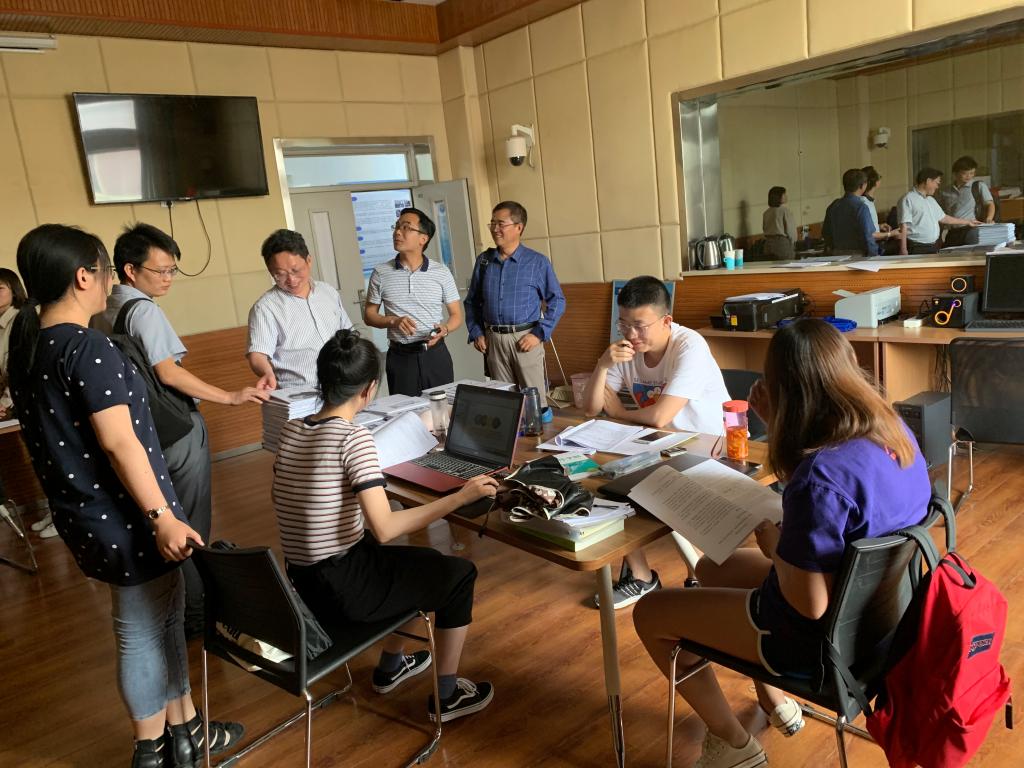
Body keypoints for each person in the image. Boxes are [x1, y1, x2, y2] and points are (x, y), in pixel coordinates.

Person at [633, 318, 930, 768]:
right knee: (711, 568)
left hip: (818, 642)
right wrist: (779, 423)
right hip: (881, 620)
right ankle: (773, 702)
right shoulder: (892, 431)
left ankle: (733, 744)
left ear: (787, 392)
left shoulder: (819, 478)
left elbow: (808, 604)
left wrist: (775, 547)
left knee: (650, 612)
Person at [8, 224, 244, 768]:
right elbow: (120, 443)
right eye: (106, 271)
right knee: (141, 629)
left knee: (162, 620)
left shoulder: (29, 349)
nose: (111, 282)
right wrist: (162, 516)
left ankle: (187, 731)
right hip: (129, 515)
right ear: (83, 276)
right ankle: (152, 750)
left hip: (87, 515)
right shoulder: (86, 346)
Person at [273, 329, 497, 722]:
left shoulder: (292, 430)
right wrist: (459, 498)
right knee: (459, 575)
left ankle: (391, 666)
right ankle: (446, 697)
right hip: (343, 590)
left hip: (304, 583)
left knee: (419, 564)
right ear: (370, 389)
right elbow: (386, 528)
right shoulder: (352, 439)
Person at [93, 223, 268, 637]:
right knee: (190, 525)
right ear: (130, 269)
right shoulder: (144, 311)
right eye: (161, 271)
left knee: (162, 519)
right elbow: (168, 373)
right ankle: (196, 618)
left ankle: (174, 610)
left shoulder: (101, 310)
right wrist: (230, 396)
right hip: (176, 430)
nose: (169, 278)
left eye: (173, 270)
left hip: (141, 433)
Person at [581, 276, 729, 609]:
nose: (631, 335)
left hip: (707, 447)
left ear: (666, 321)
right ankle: (641, 576)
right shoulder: (627, 349)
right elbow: (590, 408)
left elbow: (661, 415)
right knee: (600, 483)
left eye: (640, 326)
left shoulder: (689, 346)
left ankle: (703, 577)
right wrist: (603, 364)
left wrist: (620, 411)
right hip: (657, 446)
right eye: (624, 324)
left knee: (670, 496)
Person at [464, 201, 565, 410]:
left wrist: (538, 334)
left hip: (525, 339)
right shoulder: (484, 261)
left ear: (518, 227)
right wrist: (476, 332)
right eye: (492, 223)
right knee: (503, 403)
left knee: (534, 403)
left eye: (501, 224)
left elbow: (557, 300)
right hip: (493, 340)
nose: (495, 229)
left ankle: (538, 429)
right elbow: (472, 301)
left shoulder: (537, 262)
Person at [364, 207, 463, 397]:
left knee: (442, 408)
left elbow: (456, 315)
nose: (397, 232)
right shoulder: (381, 273)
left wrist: (445, 329)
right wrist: (393, 321)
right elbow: (369, 315)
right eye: (397, 226)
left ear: (423, 239)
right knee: (405, 411)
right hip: (400, 357)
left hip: (435, 355)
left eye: (406, 227)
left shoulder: (441, 272)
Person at [247, 229, 353, 390]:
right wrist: (267, 372)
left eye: (296, 270)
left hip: (343, 387)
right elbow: (257, 354)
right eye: (280, 274)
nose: (291, 280)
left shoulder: (328, 292)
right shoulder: (265, 308)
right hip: (300, 393)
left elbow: (349, 335)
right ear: (270, 271)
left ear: (309, 261)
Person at [0, 268, 32, 534]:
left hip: (27, 399)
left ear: (14, 290)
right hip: (15, 401)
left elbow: (19, 368)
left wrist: (5, 402)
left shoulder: (19, 320)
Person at [897, 168, 979, 255]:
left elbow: (944, 218)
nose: (937, 187)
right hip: (916, 247)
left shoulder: (931, 200)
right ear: (928, 181)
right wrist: (903, 249)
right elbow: (904, 225)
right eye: (937, 183)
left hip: (932, 246)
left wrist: (968, 222)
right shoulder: (908, 199)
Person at [939, 156, 996, 247]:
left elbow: (990, 204)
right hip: (953, 232)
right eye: (965, 173)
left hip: (972, 229)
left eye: (972, 173)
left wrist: (989, 218)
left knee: (972, 254)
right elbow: (941, 215)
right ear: (955, 173)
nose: (969, 176)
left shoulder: (978, 186)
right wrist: (939, 236)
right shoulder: (945, 191)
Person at [821, 168, 879, 256]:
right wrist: (874, 256)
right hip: (858, 256)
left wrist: (834, 249)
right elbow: (868, 236)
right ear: (862, 186)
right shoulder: (861, 207)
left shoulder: (834, 205)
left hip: (837, 255)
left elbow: (826, 233)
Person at [861, 166, 898, 254]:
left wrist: (878, 226)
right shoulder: (864, 203)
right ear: (876, 182)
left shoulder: (868, 201)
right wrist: (891, 234)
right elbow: (869, 234)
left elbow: (865, 225)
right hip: (871, 247)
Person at [761, 186, 796, 261]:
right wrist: (793, 243)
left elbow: (764, 228)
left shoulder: (766, 213)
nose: (786, 196)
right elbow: (790, 231)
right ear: (778, 197)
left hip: (768, 245)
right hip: (782, 245)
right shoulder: (785, 211)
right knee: (786, 266)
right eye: (784, 194)